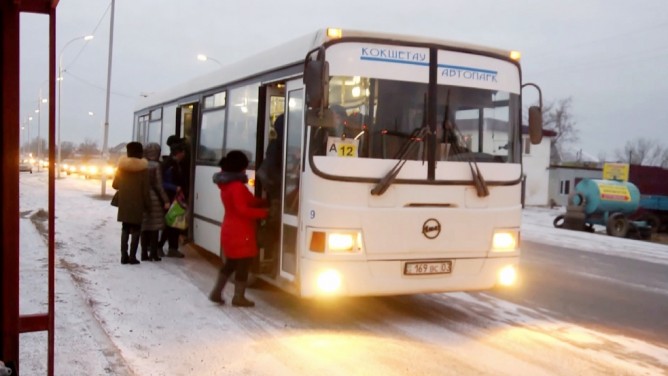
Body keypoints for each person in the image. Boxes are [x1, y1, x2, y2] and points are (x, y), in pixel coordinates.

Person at [208, 150, 268, 307]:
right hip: (241, 231)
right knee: (243, 264)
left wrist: (260, 202)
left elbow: (248, 201)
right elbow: (243, 209)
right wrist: (265, 213)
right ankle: (238, 297)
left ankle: (216, 292)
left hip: (230, 228)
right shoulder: (237, 187)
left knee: (231, 263)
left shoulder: (227, 185)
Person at [112, 142, 150, 265]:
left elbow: (115, 185)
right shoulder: (144, 170)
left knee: (125, 228)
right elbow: (145, 190)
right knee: (136, 229)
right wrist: (148, 205)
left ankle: (124, 256)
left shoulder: (121, 168)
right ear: (140, 153)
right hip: (138, 202)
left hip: (124, 202)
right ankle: (132, 257)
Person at [140, 143, 170, 261]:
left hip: (142, 197)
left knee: (144, 226)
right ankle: (153, 253)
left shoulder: (141, 164)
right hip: (154, 199)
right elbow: (158, 185)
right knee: (154, 228)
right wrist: (166, 200)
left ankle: (143, 253)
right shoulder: (156, 165)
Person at [159, 140, 187, 258]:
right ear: (178, 153)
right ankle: (161, 247)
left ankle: (172, 248)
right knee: (170, 223)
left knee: (174, 223)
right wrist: (175, 187)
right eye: (183, 152)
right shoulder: (169, 164)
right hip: (169, 197)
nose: (184, 154)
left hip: (174, 197)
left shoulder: (176, 163)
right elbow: (161, 182)